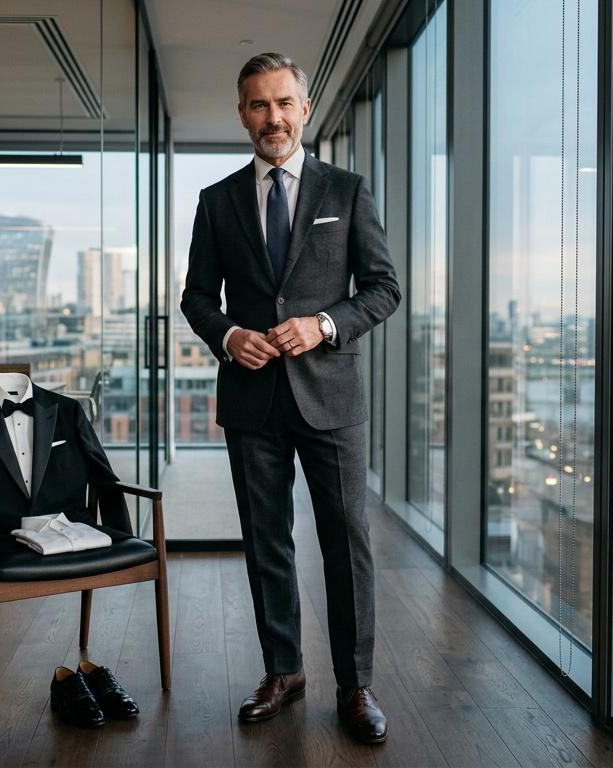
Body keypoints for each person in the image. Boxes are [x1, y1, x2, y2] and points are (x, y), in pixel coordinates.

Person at [180, 52, 400, 745]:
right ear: (242, 114)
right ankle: (284, 670)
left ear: (304, 110)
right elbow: (195, 297)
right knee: (266, 540)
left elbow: (384, 289)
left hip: (331, 396)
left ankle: (356, 685)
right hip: (252, 400)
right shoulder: (216, 201)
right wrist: (229, 335)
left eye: (283, 103)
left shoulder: (348, 190)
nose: (271, 117)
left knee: (346, 541)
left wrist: (323, 324)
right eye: (258, 105)